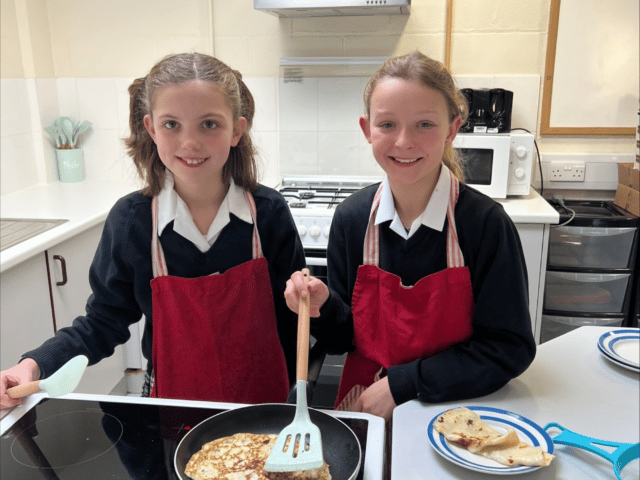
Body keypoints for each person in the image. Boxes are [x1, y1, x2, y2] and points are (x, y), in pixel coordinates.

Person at [1, 53, 305, 409]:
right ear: (150, 129)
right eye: (172, 124)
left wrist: (311, 300)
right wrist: (33, 364)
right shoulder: (133, 222)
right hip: (169, 414)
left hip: (262, 410)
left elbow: (297, 317)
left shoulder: (268, 214)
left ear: (237, 130)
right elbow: (103, 321)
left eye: (209, 124)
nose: (190, 143)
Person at [285, 51, 536, 421]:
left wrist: (403, 384)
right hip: (366, 405)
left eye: (424, 125)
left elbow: (508, 348)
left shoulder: (484, 225)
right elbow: (346, 339)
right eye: (387, 125)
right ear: (366, 128)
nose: (403, 142)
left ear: (452, 129)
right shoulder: (352, 220)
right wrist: (321, 307)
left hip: (456, 410)